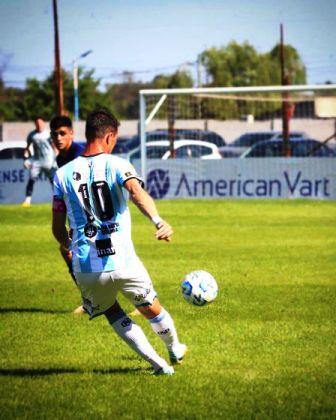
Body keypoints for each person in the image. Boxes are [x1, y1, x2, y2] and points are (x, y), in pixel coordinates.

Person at [52, 109, 186, 375]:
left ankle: (158, 365)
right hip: (123, 261)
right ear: (109, 136)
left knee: (113, 313)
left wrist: (71, 246)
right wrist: (159, 221)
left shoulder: (62, 174)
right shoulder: (119, 164)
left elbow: (57, 228)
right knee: (151, 308)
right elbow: (137, 193)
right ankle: (174, 348)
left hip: (87, 268)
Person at [50, 115, 128, 318]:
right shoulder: (61, 158)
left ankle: (95, 299)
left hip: (96, 220)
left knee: (107, 256)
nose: (58, 138)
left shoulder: (79, 154)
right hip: (81, 221)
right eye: (54, 134)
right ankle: (91, 299)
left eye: (62, 133)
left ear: (72, 134)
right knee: (68, 251)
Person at [22, 117, 57, 207]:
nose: (39, 125)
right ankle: (27, 200)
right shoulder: (32, 135)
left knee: (53, 181)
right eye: (37, 123)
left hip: (49, 161)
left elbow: (54, 147)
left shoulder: (49, 134)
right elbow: (27, 148)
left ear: (44, 123)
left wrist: (56, 158)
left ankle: (58, 200)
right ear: (35, 124)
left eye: (41, 123)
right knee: (31, 180)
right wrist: (25, 159)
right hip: (37, 161)